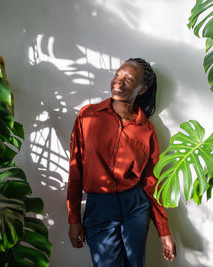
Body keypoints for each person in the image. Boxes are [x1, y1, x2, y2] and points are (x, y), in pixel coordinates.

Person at [67, 58, 176, 267]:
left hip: (135, 207)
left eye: (129, 78)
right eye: (117, 75)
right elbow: (75, 170)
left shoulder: (147, 130)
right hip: (99, 207)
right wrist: (74, 219)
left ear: (142, 89)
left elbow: (152, 182)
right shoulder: (87, 116)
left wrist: (164, 232)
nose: (118, 82)